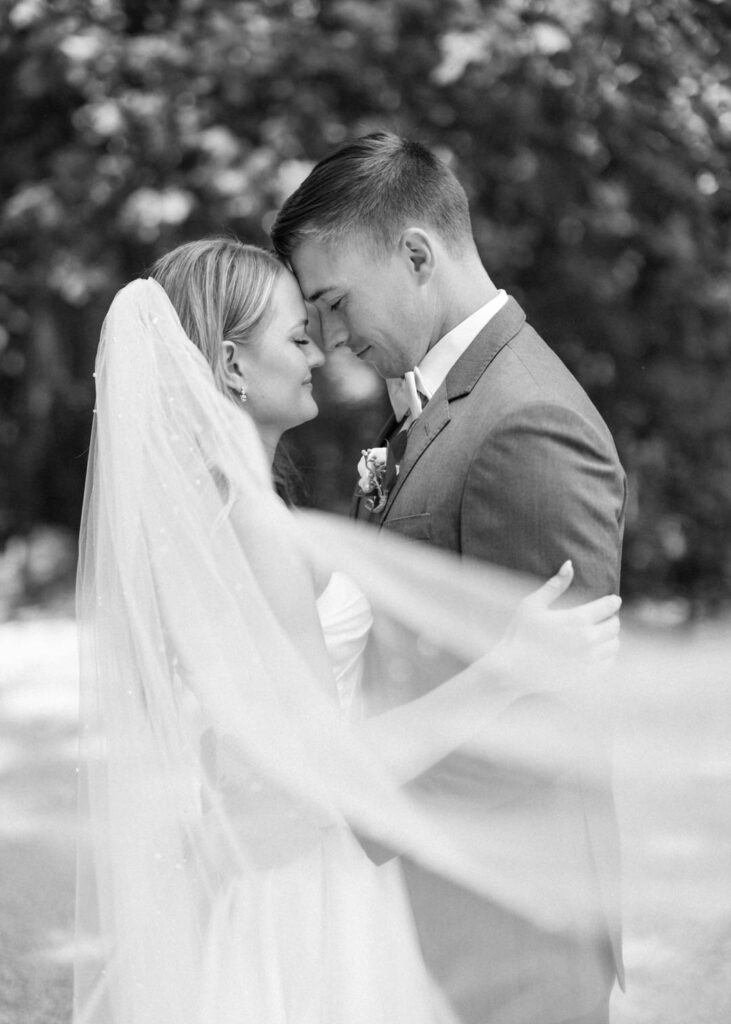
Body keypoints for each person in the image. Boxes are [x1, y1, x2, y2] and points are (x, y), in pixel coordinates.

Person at [74, 237, 621, 1024]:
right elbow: (325, 773)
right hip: (311, 897)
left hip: (265, 887)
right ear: (230, 368)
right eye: (297, 337)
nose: (318, 355)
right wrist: (506, 666)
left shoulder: (200, 525)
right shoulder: (253, 530)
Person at [271, 133, 627, 1024]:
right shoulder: (443, 400)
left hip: (511, 929)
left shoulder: (528, 417)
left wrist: (341, 800)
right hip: (443, 913)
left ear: (417, 254)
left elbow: (546, 714)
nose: (329, 336)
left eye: (333, 300)